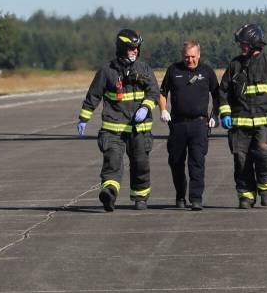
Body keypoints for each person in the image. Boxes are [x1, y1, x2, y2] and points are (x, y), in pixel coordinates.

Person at [77, 28, 159, 212]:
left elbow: (154, 92)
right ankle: (110, 193)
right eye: (131, 48)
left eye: (137, 48)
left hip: (139, 129)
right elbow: (94, 95)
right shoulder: (107, 71)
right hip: (113, 129)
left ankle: (140, 197)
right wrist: (84, 117)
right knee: (112, 161)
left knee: (140, 164)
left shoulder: (144, 68)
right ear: (122, 48)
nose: (135, 51)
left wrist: (145, 107)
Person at [218, 24, 267, 209]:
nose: (241, 47)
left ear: (253, 43)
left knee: (265, 157)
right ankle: (246, 196)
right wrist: (225, 113)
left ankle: (265, 191)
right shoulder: (235, 65)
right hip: (240, 125)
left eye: (243, 43)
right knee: (241, 160)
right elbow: (223, 92)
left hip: (265, 123)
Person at [159, 40, 220, 211]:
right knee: (176, 162)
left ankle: (196, 198)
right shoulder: (173, 70)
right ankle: (180, 195)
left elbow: (217, 95)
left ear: (199, 55)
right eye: (187, 57)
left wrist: (215, 114)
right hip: (177, 124)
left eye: (193, 56)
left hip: (199, 124)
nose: (190, 60)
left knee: (197, 162)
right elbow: (163, 93)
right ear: (182, 56)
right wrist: (163, 110)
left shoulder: (207, 71)